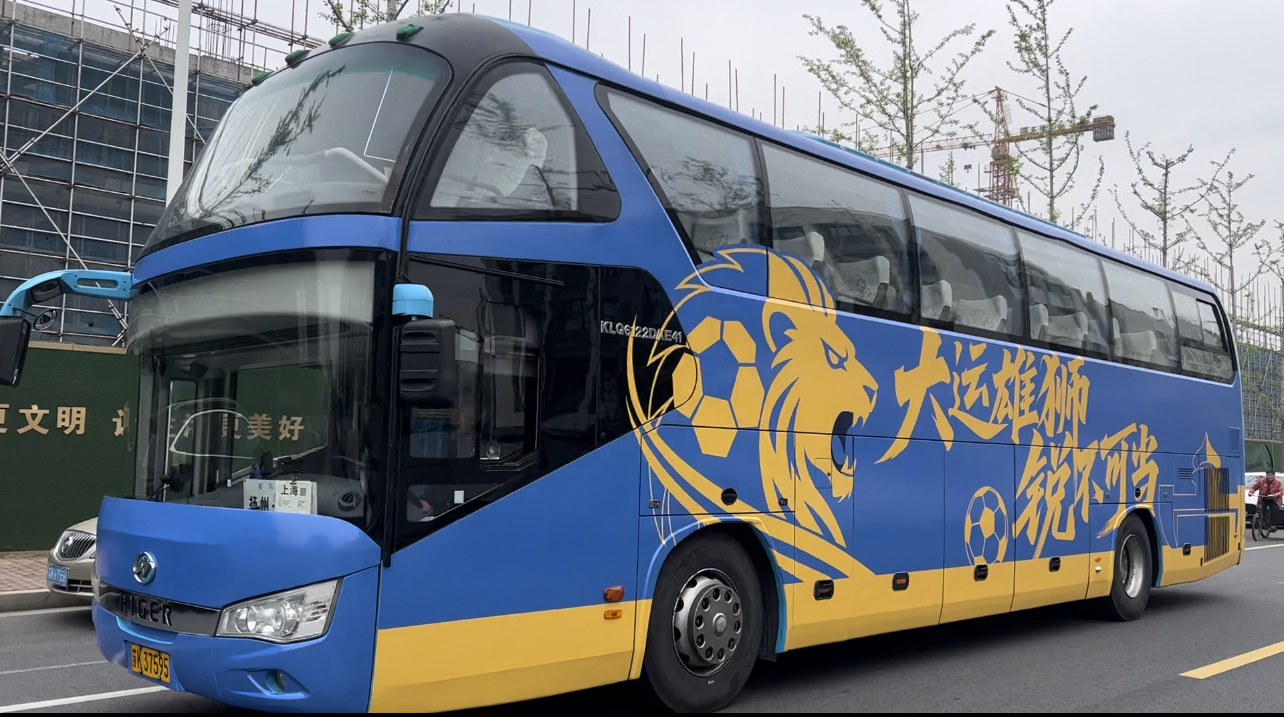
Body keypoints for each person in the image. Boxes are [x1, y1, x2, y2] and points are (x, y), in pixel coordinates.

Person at [1249, 470, 1284, 534]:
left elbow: (1281, 491)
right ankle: (1261, 521)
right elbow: (1254, 487)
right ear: (1266, 475)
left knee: (1275, 510)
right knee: (1261, 508)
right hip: (1263, 498)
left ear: (1274, 476)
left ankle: (1273, 525)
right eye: (1269, 475)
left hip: (1274, 499)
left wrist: (1276, 494)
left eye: (1272, 475)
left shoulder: (1278, 483)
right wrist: (1251, 492)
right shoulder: (1261, 481)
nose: (1270, 477)